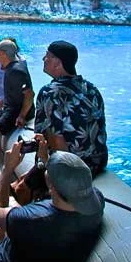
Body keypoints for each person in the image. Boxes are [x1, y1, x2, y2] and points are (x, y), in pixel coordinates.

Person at [13, 40, 107, 205]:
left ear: (57, 62)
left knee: (21, 189)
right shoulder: (92, 89)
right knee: (22, 179)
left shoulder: (50, 93)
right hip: (98, 162)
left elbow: (56, 142)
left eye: (47, 56)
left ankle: (20, 223)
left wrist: (45, 170)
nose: (43, 59)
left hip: (72, 168)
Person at [0, 39, 35, 178]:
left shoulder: (17, 71)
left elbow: (29, 95)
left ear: (3, 54)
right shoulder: (9, 67)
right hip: (8, 107)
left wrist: (22, 115)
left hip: (15, 110)